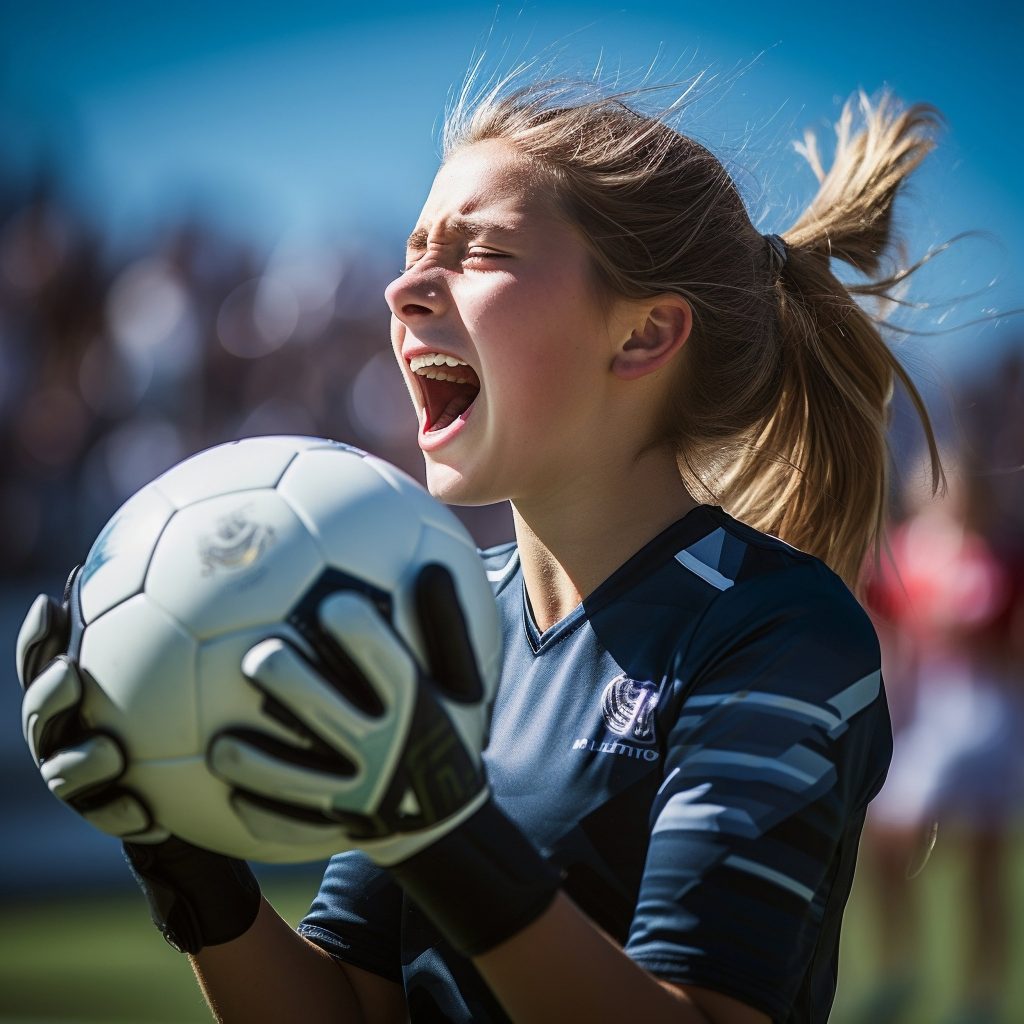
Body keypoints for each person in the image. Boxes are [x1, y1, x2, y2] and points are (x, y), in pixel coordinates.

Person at [17, 74, 945, 1023]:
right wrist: (189, 867)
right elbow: (352, 1012)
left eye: (480, 251)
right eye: (416, 249)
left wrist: (444, 838)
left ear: (644, 334)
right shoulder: (437, 608)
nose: (403, 286)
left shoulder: (780, 628)